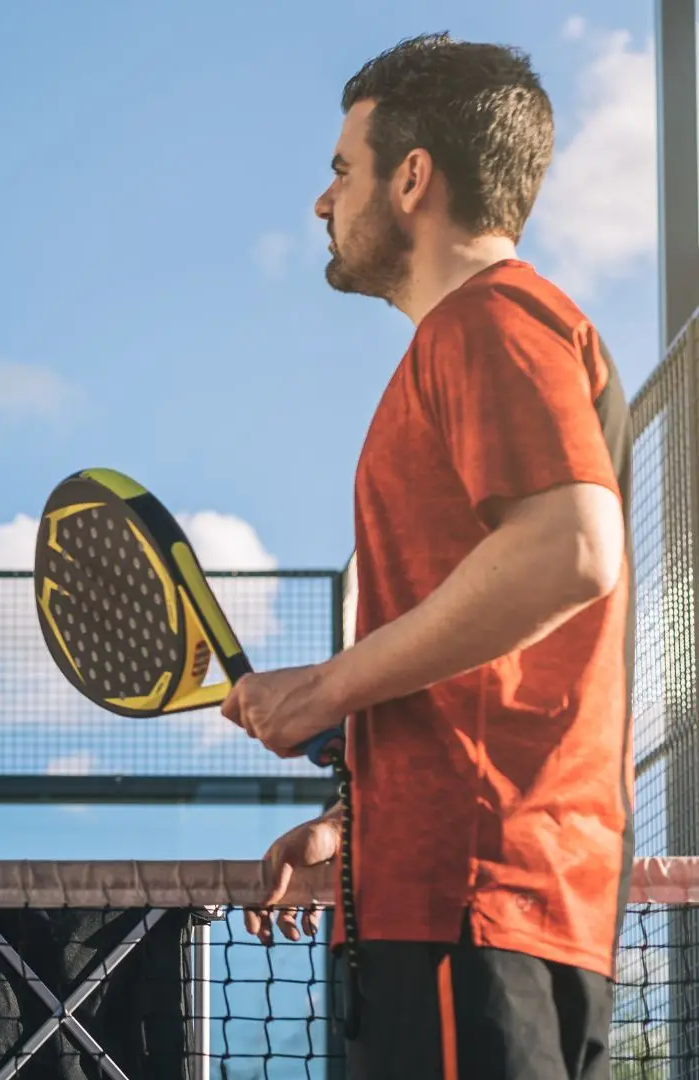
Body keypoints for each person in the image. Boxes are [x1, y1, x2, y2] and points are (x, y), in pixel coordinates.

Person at [219, 33, 633, 1080]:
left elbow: (572, 550)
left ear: (412, 178)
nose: (324, 203)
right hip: (463, 898)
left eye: (340, 171)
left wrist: (321, 690)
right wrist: (357, 820)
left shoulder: (490, 322)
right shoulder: (488, 337)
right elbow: (497, 663)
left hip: (474, 901)